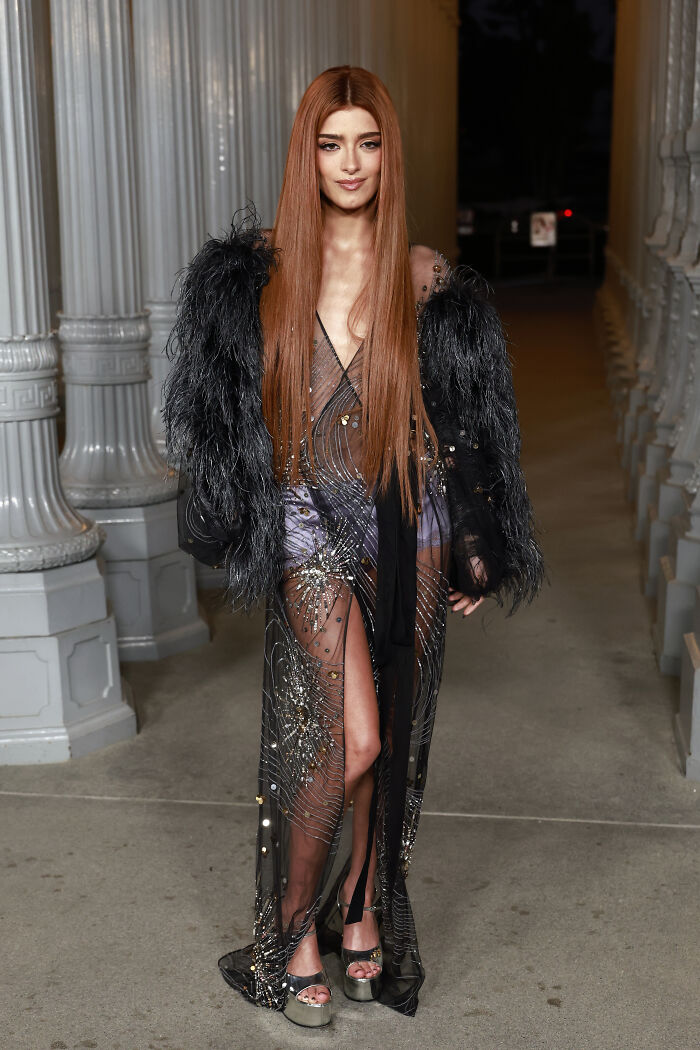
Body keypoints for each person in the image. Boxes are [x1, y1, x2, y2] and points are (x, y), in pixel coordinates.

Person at [163, 65, 544, 1029]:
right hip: (304, 531)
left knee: (394, 740)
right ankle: (288, 936)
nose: (350, 162)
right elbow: (218, 420)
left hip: (402, 526)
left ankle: (364, 912)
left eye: (367, 143)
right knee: (351, 735)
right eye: (331, 143)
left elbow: (464, 424)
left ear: (388, 153)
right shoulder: (258, 272)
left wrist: (478, 541)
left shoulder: (424, 275)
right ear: (307, 152)